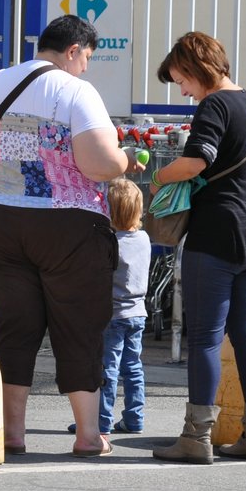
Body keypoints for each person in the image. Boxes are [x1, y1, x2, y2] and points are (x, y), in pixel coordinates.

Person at [0, 14, 137, 457]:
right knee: (78, 325)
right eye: (87, 57)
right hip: (65, 224)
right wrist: (125, 160)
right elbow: (97, 163)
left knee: (13, 325)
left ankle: (10, 432)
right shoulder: (75, 92)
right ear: (73, 50)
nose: (87, 67)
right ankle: (88, 435)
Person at [150, 31, 246, 464]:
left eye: (182, 79)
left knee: (204, 338)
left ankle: (195, 437)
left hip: (217, 236)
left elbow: (196, 160)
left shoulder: (215, 104)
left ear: (196, 67)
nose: (183, 90)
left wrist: (159, 177)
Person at [97, 178, 151, 435]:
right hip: (138, 313)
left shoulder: (108, 242)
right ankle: (134, 418)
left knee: (107, 369)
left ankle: (101, 420)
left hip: (112, 314)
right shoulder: (143, 239)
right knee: (133, 367)